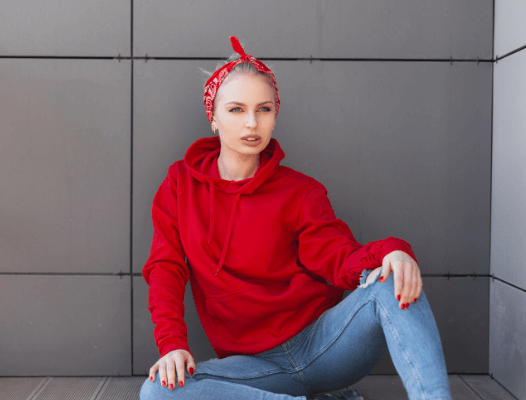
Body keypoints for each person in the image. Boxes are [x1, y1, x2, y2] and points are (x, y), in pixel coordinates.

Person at [139, 36, 453, 400]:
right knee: (158, 392)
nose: (252, 124)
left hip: (325, 346)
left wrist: (392, 252)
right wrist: (172, 344)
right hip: (253, 366)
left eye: (264, 109)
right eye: (237, 109)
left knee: (391, 277)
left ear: (275, 116)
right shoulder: (179, 185)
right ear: (213, 117)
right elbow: (166, 269)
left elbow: (338, 257)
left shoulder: (301, 192)